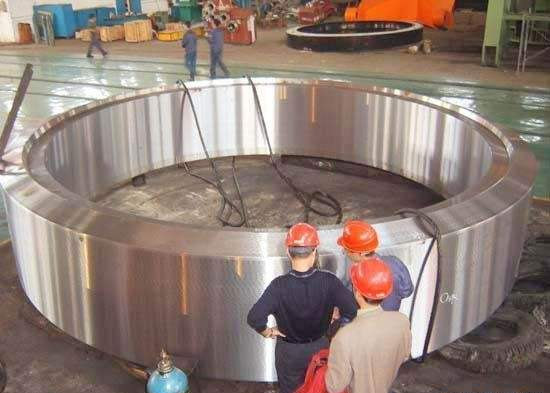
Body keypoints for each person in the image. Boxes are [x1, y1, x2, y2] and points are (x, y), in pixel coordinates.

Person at [247, 223, 357, 393]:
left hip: (289, 352)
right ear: (314, 251)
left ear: (288, 252)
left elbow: (254, 317)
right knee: (319, 386)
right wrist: (337, 320)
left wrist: (267, 331)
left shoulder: (278, 286)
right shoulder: (329, 281)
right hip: (320, 347)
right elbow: (351, 309)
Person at [325, 257, 412, 393]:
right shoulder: (402, 321)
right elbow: (405, 355)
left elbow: (334, 386)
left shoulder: (344, 337)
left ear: (358, 293)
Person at [338, 220, 413, 311]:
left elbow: (347, 311)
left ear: (360, 253)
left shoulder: (356, 279)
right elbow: (407, 291)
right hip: (393, 320)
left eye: (346, 249)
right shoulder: (395, 263)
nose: (344, 251)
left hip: (367, 323)